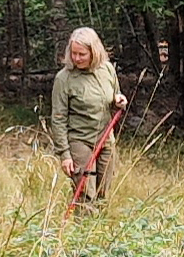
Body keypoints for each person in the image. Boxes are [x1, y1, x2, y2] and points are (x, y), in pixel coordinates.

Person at [50, 26, 127, 205]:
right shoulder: (64, 78)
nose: (77, 58)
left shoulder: (107, 69)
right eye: (73, 53)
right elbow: (58, 118)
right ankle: (82, 228)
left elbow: (115, 95)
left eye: (82, 54)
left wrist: (119, 101)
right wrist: (65, 155)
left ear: (94, 52)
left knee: (103, 194)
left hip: (106, 140)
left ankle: (99, 231)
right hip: (80, 142)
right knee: (86, 195)